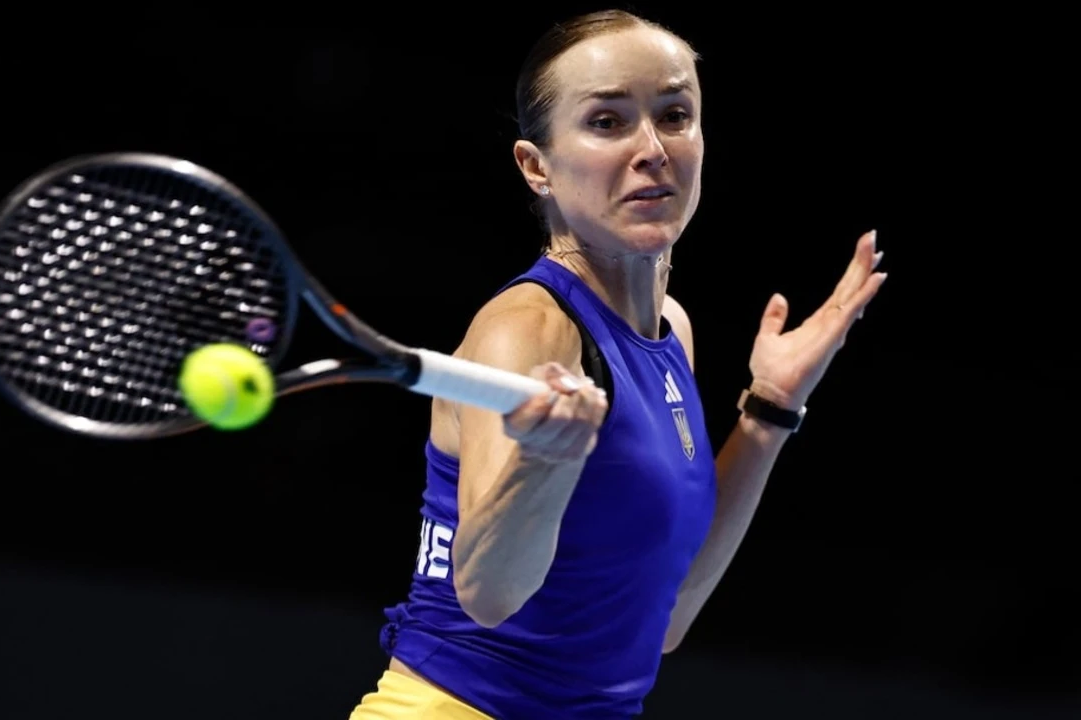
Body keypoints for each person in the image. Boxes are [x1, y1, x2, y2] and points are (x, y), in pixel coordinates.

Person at [348, 9, 887, 719]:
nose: (652, 149)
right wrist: (544, 461)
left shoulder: (671, 330)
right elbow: (487, 593)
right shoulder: (528, 329)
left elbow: (666, 618)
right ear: (536, 166)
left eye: (674, 115)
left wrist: (769, 410)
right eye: (606, 122)